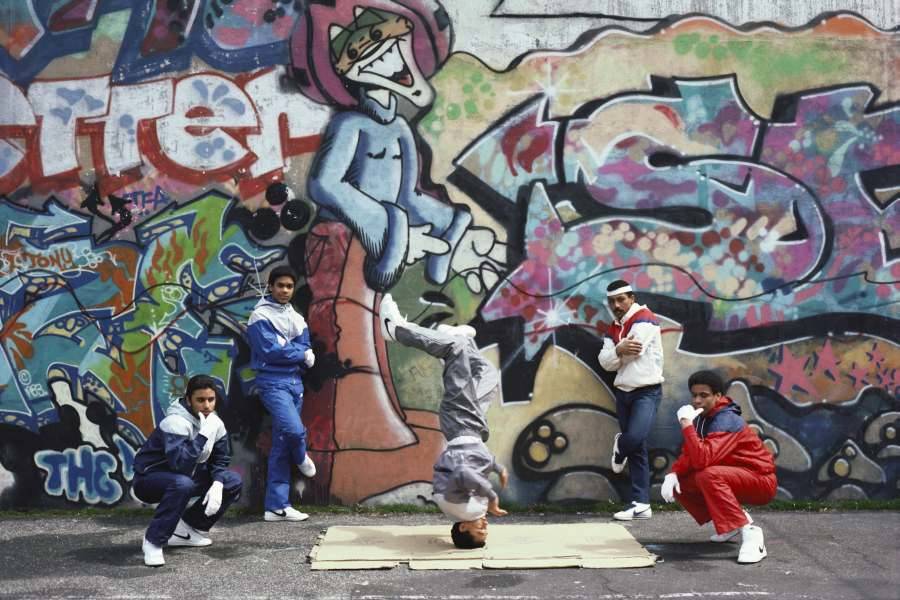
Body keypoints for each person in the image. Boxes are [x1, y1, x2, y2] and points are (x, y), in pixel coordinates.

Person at [380, 293, 508, 548]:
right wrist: (495, 465)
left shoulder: (463, 510)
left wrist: (493, 494)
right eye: (485, 532)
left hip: (462, 423)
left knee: (454, 351)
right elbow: (474, 464)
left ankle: (397, 330)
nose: (485, 527)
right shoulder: (464, 510)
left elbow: (463, 472)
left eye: (478, 531)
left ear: (463, 527)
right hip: (472, 425)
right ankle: (457, 336)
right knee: (489, 375)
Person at [660, 370, 776, 564]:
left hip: (760, 481)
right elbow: (690, 454)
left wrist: (687, 425)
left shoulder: (726, 420)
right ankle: (730, 523)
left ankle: (752, 536)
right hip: (735, 477)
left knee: (707, 474)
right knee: (681, 482)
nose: (697, 400)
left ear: (718, 396)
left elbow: (702, 459)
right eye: (694, 395)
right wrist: (673, 474)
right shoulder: (701, 417)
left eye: (703, 395)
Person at [133, 375, 242, 567]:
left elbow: (221, 458)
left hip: (184, 478)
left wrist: (217, 483)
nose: (207, 405)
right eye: (200, 400)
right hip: (148, 480)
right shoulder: (175, 422)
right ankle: (153, 541)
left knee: (231, 481)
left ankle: (186, 529)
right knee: (182, 483)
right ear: (189, 399)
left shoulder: (215, 422)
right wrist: (202, 436)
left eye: (211, 399)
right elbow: (180, 464)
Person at [247, 265, 317, 522]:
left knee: (281, 445)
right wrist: (299, 354)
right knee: (295, 432)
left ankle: (276, 506)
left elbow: (304, 344)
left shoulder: (296, 317)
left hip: (295, 384)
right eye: (280, 285)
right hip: (272, 383)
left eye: (289, 286)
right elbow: (269, 351)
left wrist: (291, 350)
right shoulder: (259, 316)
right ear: (271, 287)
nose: (284, 290)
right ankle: (302, 458)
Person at [597, 279, 664, 521]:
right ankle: (641, 503)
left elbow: (635, 349)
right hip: (623, 392)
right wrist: (618, 350)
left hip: (647, 391)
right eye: (612, 301)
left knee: (633, 438)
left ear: (631, 298)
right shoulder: (613, 328)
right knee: (638, 451)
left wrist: (618, 350)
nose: (616, 305)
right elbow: (605, 362)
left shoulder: (644, 318)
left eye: (621, 299)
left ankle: (620, 445)